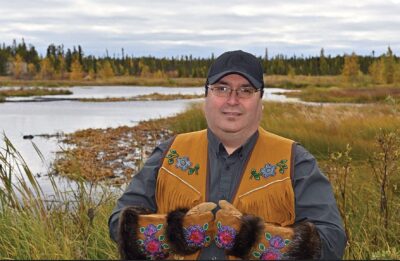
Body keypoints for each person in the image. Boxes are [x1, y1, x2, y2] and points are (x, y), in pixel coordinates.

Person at [108, 50, 347, 260]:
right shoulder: (169, 153)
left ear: (260, 101)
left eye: (245, 90)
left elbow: (332, 242)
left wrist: (253, 239)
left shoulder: (295, 160)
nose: (232, 100)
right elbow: (118, 222)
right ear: (206, 97)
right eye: (221, 89)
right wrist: (175, 232)